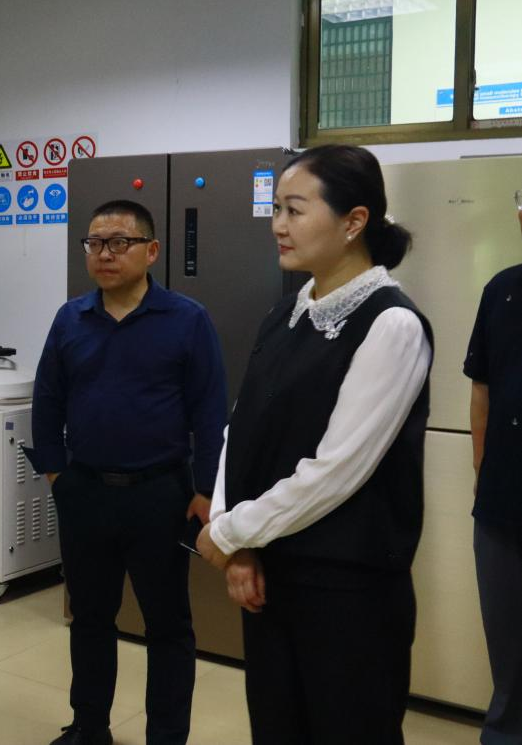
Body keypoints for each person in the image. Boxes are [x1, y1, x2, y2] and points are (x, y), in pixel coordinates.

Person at [197, 144, 432, 745]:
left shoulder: (391, 323)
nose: (279, 225)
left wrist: (231, 532)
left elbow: (336, 470)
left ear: (354, 221)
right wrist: (234, 535)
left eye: (295, 210)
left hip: (348, 593)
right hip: (269, 577)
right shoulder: (285, 314)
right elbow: (239, 431)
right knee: (277, 726)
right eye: (277, 209)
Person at [32, 199, 227, 745]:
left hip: (160, 495)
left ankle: (166, 735)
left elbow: (211, 412)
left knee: (167, 625)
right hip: (86, 492)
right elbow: (47, 401)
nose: (105, 254)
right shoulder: (70, 319)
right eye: (95, 243)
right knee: (90, 618)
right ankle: (89, 727)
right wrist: (57, 476)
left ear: (151, 250)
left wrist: (207, 490)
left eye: (120, 242)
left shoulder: (186, 319)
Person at [466, 190, 522, 745]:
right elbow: (481, 390)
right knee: (509, 659)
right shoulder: (501, 290)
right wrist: (481, 471)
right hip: (502, 507)